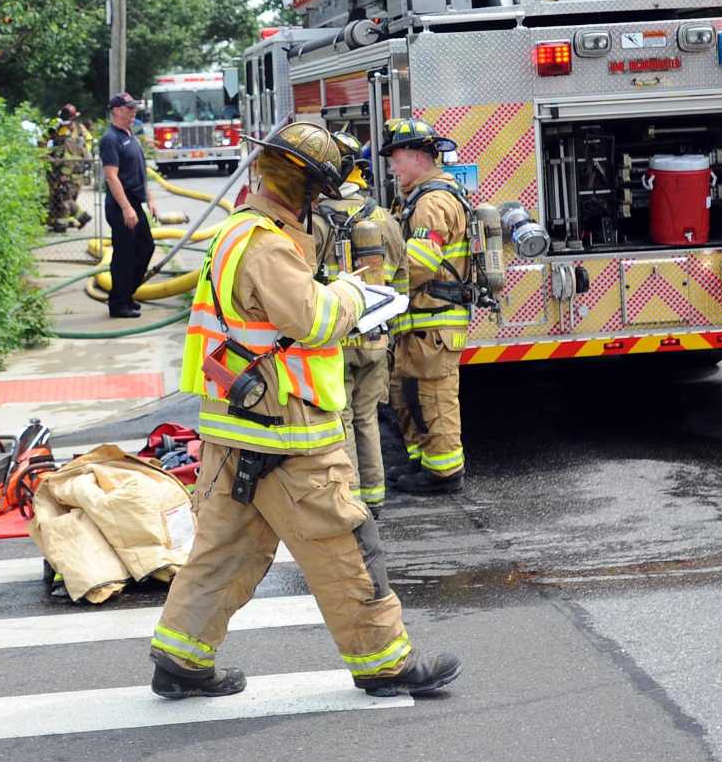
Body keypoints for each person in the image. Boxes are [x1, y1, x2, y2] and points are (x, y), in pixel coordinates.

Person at [148, 122, 460, 700]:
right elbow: (313, 321)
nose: (321, 204)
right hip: (289, 431)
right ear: (303, 187)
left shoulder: (235, 233)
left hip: (235, 426)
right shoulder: (266, 244)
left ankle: (180, 658)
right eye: (317, 192)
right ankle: (384, 662)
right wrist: (351, 293)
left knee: (225, 549)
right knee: (344, 543)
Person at [310, 133, 408, 516]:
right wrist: (389, 327)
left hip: (336, 342)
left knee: (342, 419)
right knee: (367, 418)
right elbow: (401, 274)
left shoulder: (315, 219)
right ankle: (375, 496)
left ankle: (348, 499)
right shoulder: (380, 216)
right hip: (375, 339)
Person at [380, 118, 472, 495]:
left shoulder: (431, 203)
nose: (392, 166)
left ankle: (444, 473)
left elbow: (419, 262)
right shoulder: (422, 195)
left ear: (418, 156)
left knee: (433, 398)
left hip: (433, 321)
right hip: (422, 321)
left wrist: (377, 287)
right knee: (410, 395)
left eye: (396, 158)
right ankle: (423, 462)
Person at [99, 92, 154, 318]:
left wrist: (149, 198)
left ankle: (127, 294)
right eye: (129, 108)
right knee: (124, 255)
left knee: (146, 247)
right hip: (121, 204)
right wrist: (126, 208)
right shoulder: (110, 139)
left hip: (134, 202)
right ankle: (118, 303)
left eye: (134, 108)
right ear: (117, 110)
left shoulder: (129, 135)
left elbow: (140, 171)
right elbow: (112, 177)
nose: (133, 112)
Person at [44, 105, 94, 232]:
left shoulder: (78, 128)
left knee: (64, 197)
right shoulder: (57, 127)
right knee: (61, 196)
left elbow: (88, 142)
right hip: (63, 168)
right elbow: (43, 141)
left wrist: (83, 157)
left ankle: (71, 221)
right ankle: (65, 222)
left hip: (69, 170)